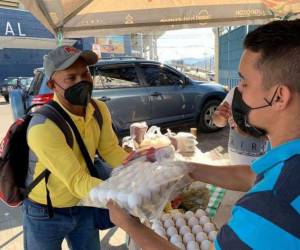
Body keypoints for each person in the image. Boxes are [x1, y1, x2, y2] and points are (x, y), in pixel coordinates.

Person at [107, 19, 300, 249]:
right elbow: (253, 176)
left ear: (278, 97)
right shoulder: (286, 162)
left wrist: (131, 226)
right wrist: (188, 169)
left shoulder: (269, 207)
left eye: (244, 81)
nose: (238, 89)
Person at [23, 46, 128, 250]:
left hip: (83, 204)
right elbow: (76, 180)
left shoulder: (98, 109)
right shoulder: (43, 127)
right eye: (71, 78)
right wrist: (126, 195)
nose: (82, 82)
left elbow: (110, 150)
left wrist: (138, 166)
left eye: (85, 74)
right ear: (53, 85)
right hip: (45, 212)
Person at [213, 87, 267, 165]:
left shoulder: (268, 94)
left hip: (259, 165)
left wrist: (245, 132)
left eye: (243, 79)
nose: (241, 84)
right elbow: (217, 122)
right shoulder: (236, 91)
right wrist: (221, 116)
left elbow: (275, 134)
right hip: (234, 162)